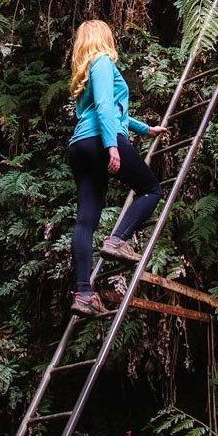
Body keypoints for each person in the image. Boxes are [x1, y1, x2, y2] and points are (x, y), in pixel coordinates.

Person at [66, 19, 166, 318]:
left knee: (85, 220)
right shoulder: (103, 62)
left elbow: (111, 110)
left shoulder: (84, 75)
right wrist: (112, 144)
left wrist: (145, 129)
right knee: (151, 189)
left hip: (79, 146)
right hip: (101, 140)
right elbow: (106, 107)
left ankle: (83, 293)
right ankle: (118, 240)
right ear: (104, 39)